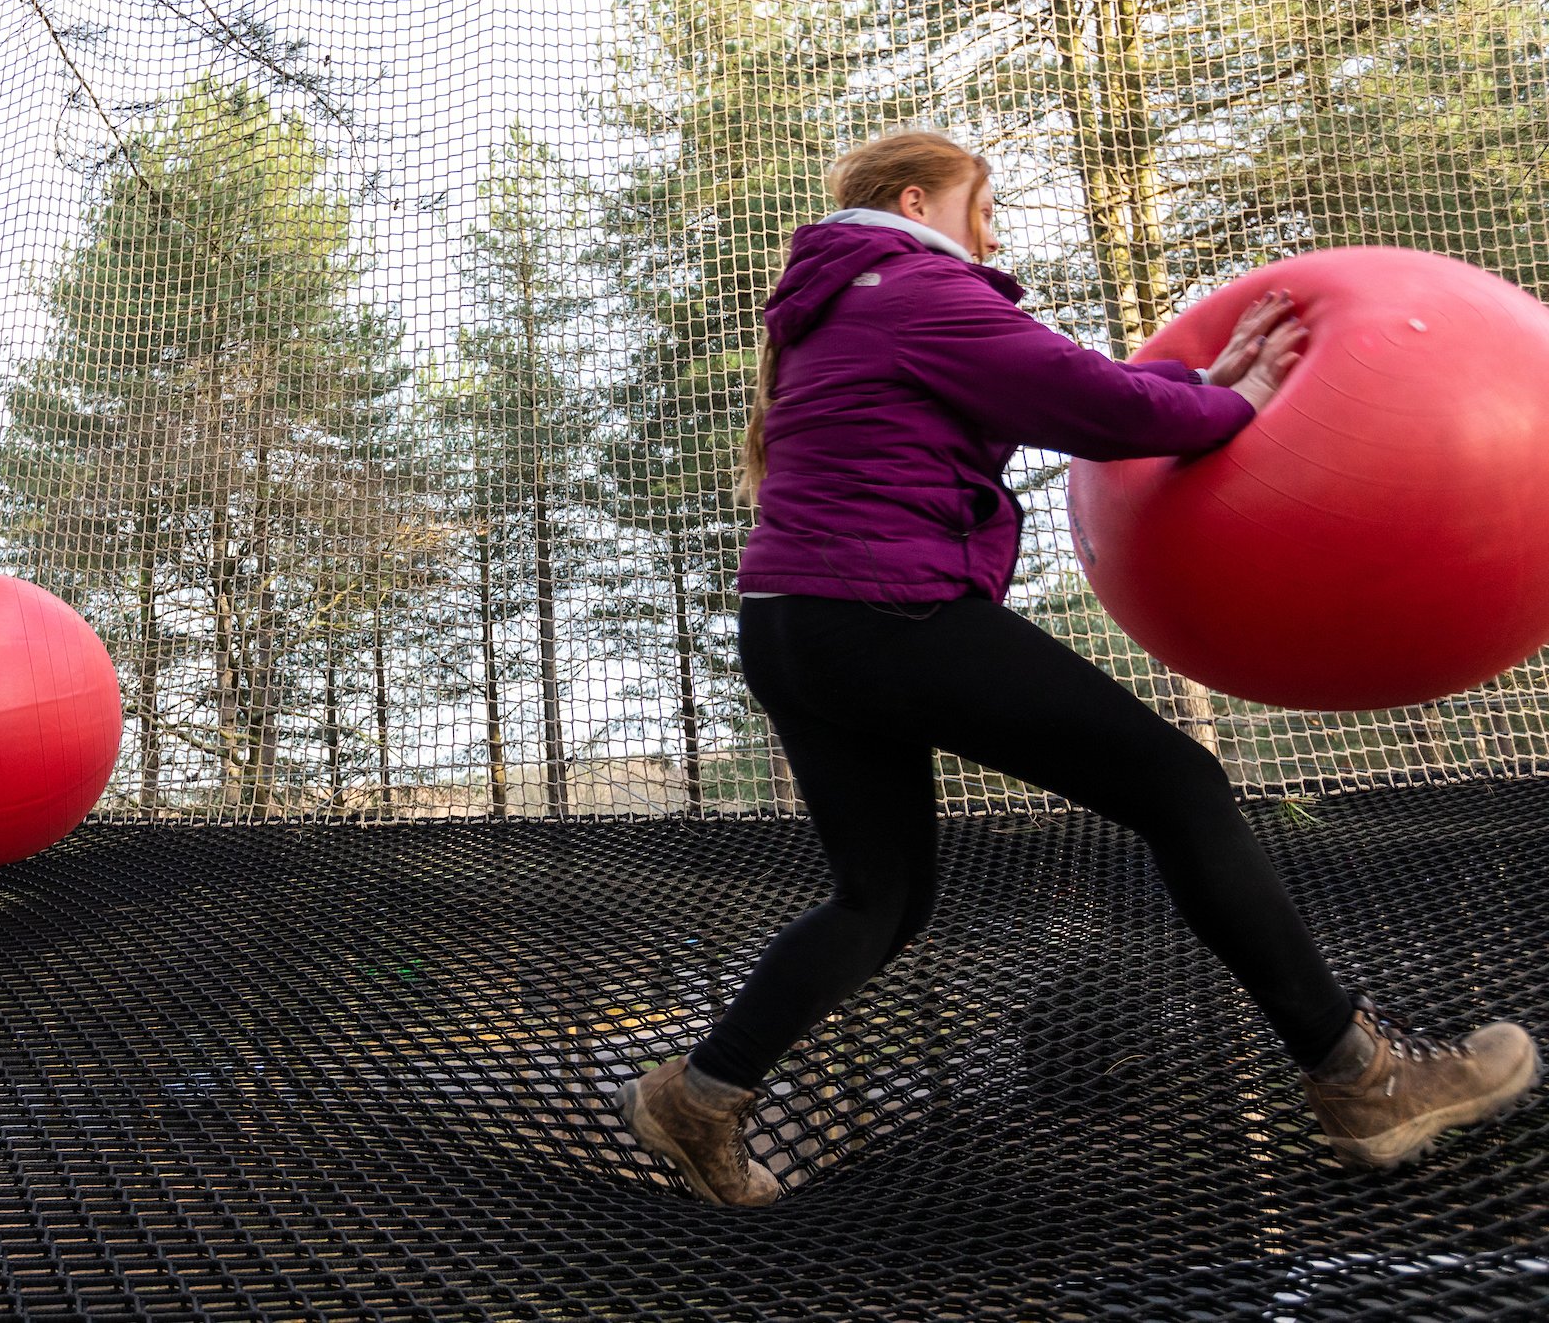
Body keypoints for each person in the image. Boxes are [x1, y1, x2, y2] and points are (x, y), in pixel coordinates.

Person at [618, 131, 1541, 1205]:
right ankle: (1362, 1080)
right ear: (919, 200)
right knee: (1181, 788)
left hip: (792, 627)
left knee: (881, 900)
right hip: (888, 613)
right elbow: (1098, 409)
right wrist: (1234, 396)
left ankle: (698, 1096)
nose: (993, 230)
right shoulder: (917, 289)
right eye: (983, 205)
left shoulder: (841, 303)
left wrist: (1205, 381)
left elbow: (1076, 390)